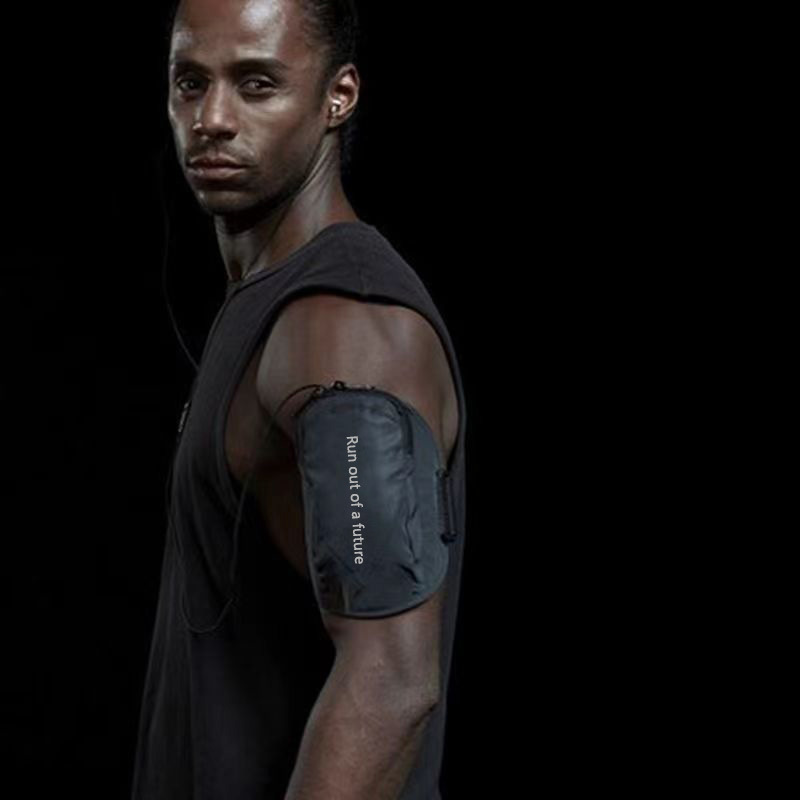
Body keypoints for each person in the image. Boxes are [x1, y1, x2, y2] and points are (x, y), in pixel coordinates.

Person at [130, 1, 468, 798]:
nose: (211, 119)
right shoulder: (271, 303)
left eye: (257, 84)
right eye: (190, 83)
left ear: (337, 97)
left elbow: (391, 684)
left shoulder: (344, 327)